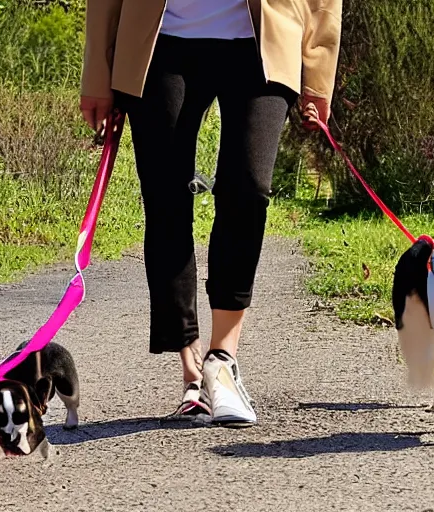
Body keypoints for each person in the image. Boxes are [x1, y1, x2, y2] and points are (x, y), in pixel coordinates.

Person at [80, 0, 342, 428]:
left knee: (248, 188)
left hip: (266, 42)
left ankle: (223, 359)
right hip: (159, 41)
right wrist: (98, 73)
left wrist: (317, 72)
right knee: (166, 199)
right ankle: (191, 359)